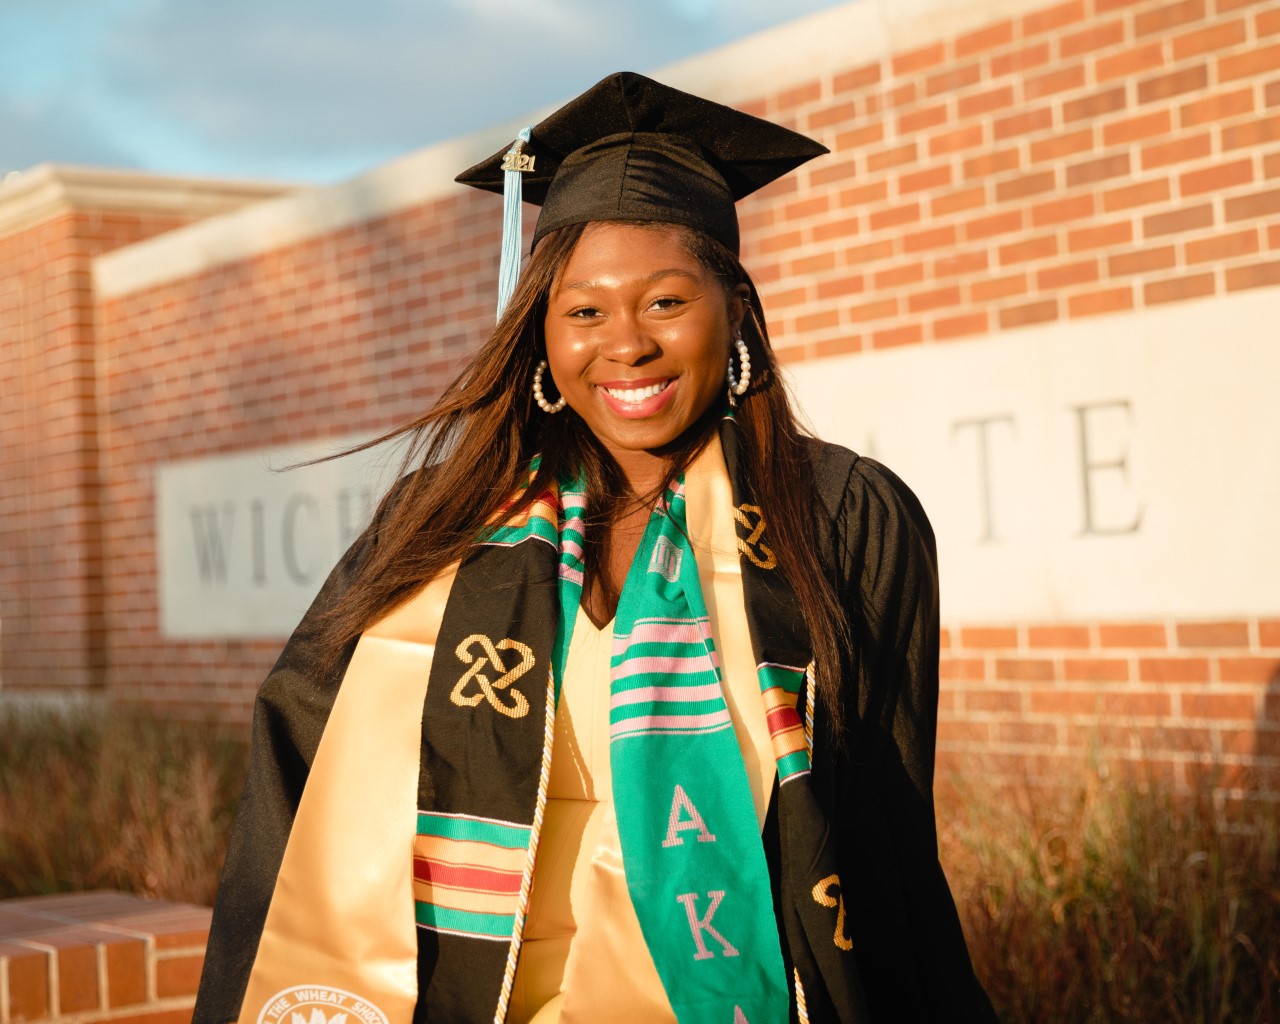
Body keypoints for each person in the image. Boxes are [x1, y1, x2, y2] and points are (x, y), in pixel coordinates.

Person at [194, 72, 997, 1024]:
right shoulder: (442, 523)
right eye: (584, 311)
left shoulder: (843, 517)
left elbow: (886, 830)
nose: (626, 345)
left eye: (666, 302)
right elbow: (297, 761)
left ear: (735, 310)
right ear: (540, 331)